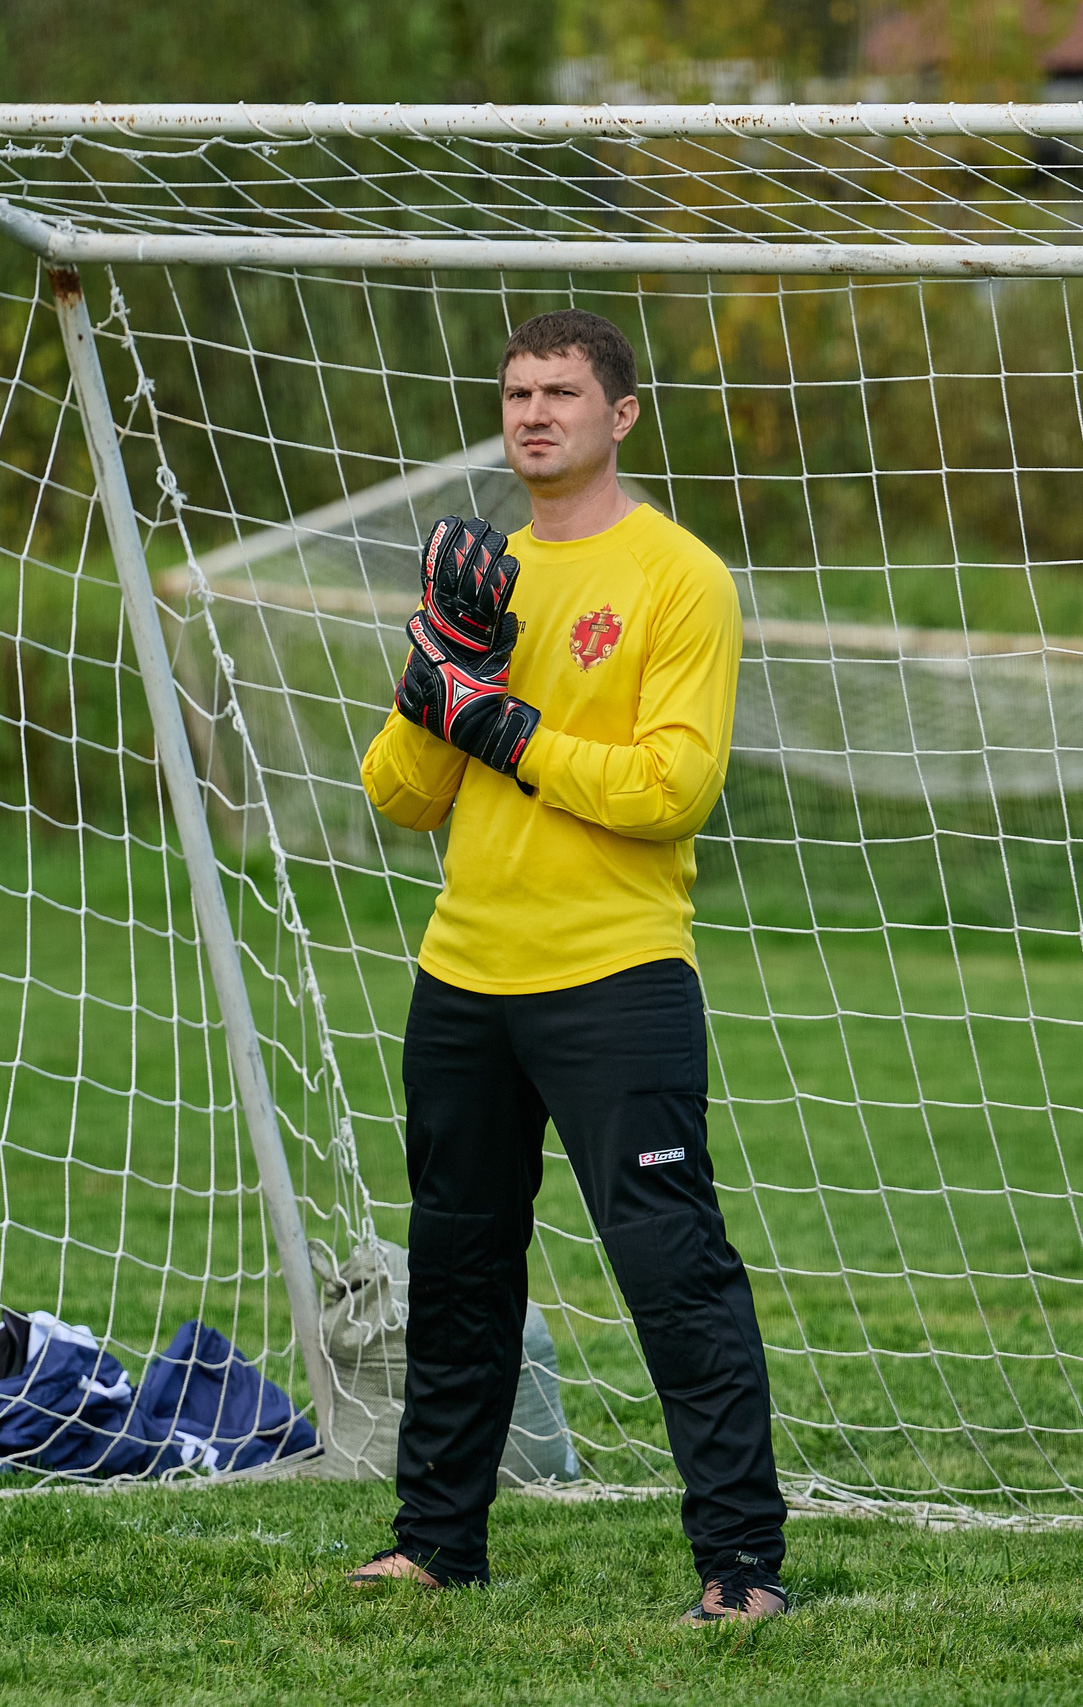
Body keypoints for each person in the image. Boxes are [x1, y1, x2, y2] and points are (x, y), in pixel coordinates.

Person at [344, 308, 788, 1624]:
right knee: (462, 1269)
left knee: (672, 1268)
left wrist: (505, 722)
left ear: (622, 415)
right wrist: (442, 673)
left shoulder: (679, 579)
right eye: (516, 392)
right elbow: (399, 792)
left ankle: (741, 1569)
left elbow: (672, 787)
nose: (533, 412)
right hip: (464, 976)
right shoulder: (485, 576)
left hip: (616, 978)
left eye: (561, 393)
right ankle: (436, 1544)